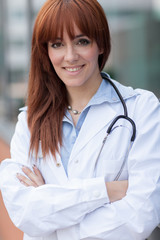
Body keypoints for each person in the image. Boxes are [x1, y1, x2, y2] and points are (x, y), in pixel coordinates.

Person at [0, 0, 160, 239]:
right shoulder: (29, 123)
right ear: (46, 51)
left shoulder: (142, 109)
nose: (70, 56)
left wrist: (52, 207)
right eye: (57, 44)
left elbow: (142, 213)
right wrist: (106, 191)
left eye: (81, 41)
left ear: (101, 45)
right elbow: (26, 214)